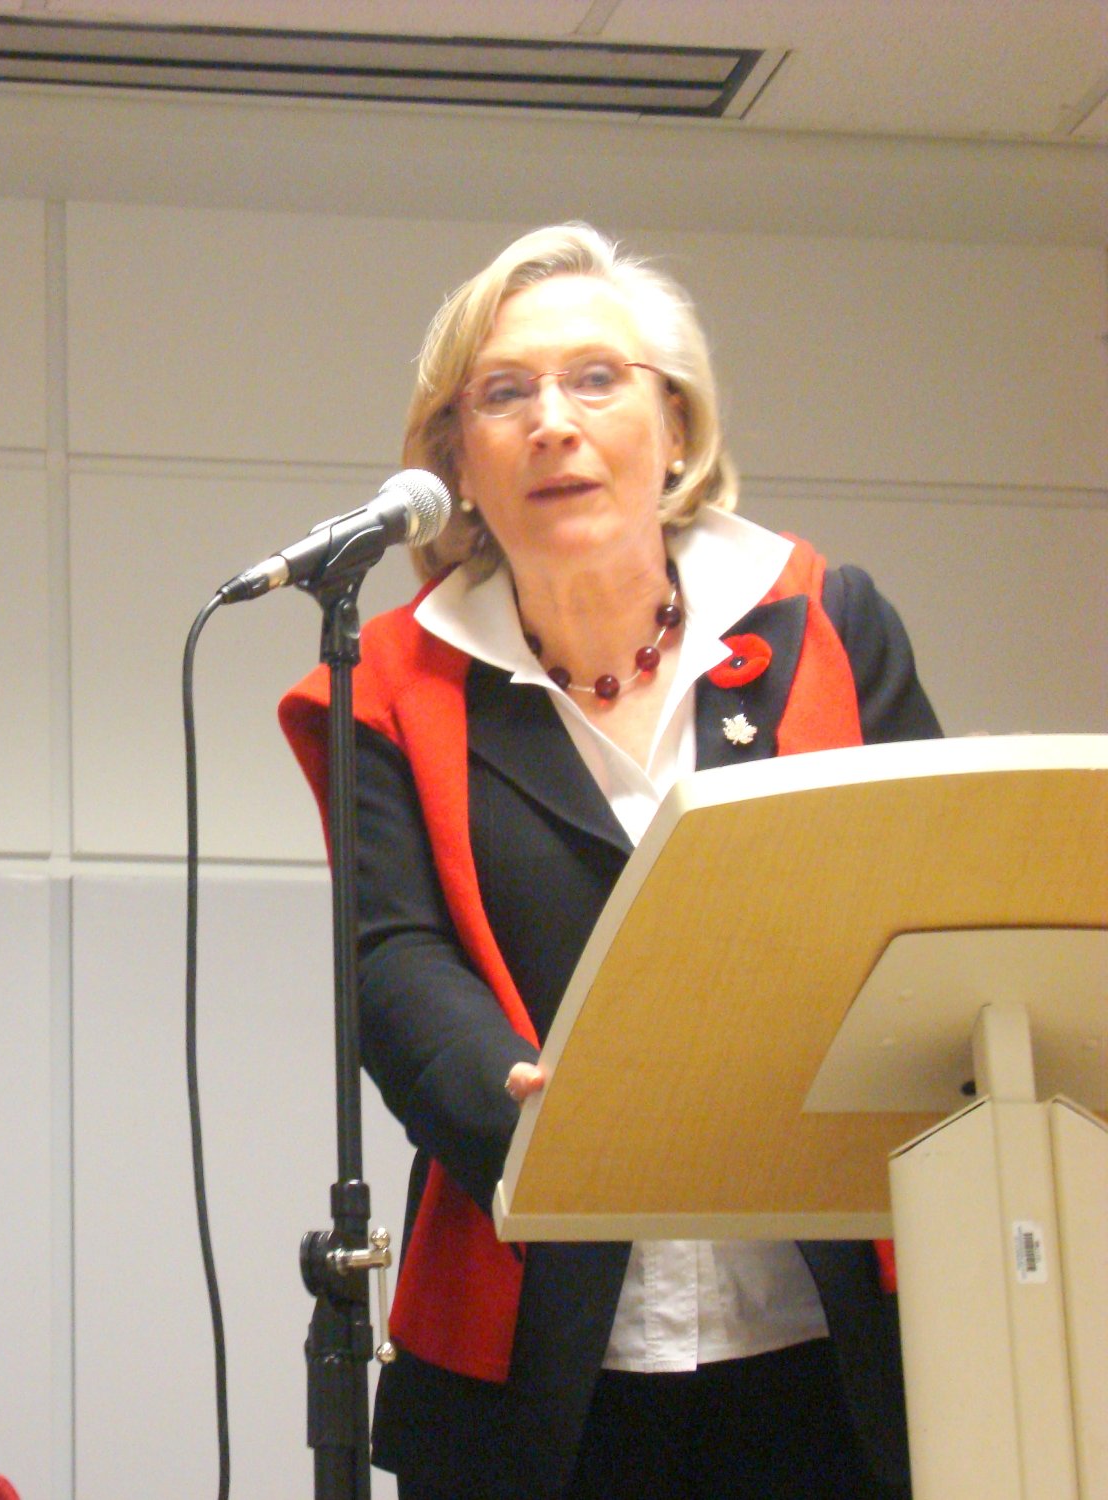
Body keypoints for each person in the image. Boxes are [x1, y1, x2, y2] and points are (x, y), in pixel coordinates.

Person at [280, 224, 936, 1499]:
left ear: (675, 429)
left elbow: (932, 910)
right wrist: (542, 1122)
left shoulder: (826, 626)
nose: (551, 423)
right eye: (503, 392)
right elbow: (392, 958)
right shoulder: (386, 689)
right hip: (534, 1353)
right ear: (455, 461)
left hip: (832, 1337)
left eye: (595, 379)